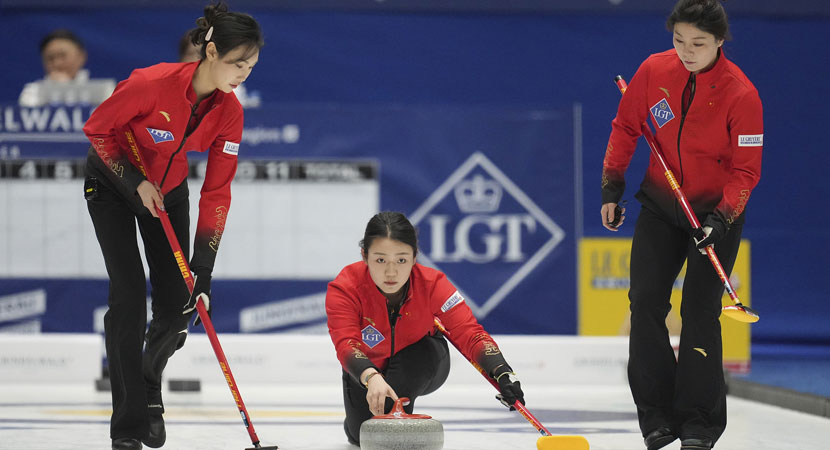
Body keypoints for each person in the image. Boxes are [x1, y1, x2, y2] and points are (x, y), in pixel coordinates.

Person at [82, 3, 263, 450]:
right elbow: (97, 130)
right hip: (114, 184)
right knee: (127, 297)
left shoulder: (230, 113)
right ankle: (127, 427)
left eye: (251, 66)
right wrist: (134, 181)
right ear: (211, 51)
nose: (243, 73)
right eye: (237, 63)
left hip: (170, 194)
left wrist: (205, 265)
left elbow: (217, 192)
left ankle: (149, 383)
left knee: (180, 306)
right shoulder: (151, 83)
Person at [600, 1, 763, 449]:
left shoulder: (741, 94)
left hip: (714, 214)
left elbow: (746, 172)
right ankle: (655, 417)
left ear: (719, 43)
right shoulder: (654, 70)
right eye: (679, 41)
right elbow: (625, 127)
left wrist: (722, 218)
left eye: (699, 44)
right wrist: (611, 189)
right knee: (646, 302)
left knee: (699, 311)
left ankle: (699, 422)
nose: (687, 52)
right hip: (660, 205)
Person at [326, 211, 526, 446]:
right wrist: (370, 377)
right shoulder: (345, 288)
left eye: (401, 260)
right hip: (367, 369)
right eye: (381, 260)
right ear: (364, 255)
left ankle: (397, 406)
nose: (391, 272)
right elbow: (346, 344)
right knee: (360, 436)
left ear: (414, 257)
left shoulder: (434, 285)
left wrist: (502, 371)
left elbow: (470, 332)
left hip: (422, 360)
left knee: (384, 430)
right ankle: (366, 412)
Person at [18, 29, 115, 106]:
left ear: (81, 56)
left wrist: (66, 87)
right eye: (50, 58)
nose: (57, 63)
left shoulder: (104, 91)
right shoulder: (32, 91)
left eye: (63, 56)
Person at [179, 29, 259, 107]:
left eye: (203, 55)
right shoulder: (169, 84)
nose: (199, 60)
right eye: (192, 54)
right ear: (181, 58)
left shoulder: (232, 94)